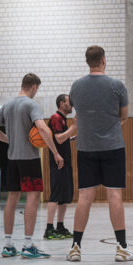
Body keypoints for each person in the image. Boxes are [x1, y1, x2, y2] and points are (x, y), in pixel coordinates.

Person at [66, 45, 133, 262]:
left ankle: (75, 247)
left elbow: (74, 109)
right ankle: (121, 247)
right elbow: (123, 115)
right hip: (112, 147)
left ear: (87, 61)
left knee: (84, 196)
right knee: (114, 195)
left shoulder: (76, 86)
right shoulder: (116, 85)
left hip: (86, 148)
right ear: (104, 60)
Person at [0, 73, 63, 259]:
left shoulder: (7, 104)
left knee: (12, 199)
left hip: (12, 158)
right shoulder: (31, 104)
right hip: (29, 159)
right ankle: (28, 245)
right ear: (34, 87)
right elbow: (43, 129)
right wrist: (55, 152)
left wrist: (10, 140)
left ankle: (7, 245)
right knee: (32, 198)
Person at [43, 94, 77, 240]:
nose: (72, 105)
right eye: (69, 103)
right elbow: (58, 138)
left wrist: (72, 138)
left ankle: (60, 226)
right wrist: (74, 127)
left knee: (65, 196)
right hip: (58, 163)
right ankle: (49, 229)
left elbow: (62, 139)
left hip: (66, 162)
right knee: (56, 195)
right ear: (62, 103)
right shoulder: (56, 117)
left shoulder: (63, 119)